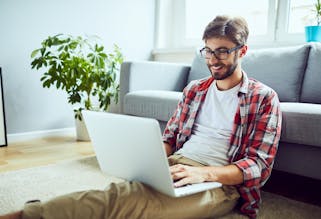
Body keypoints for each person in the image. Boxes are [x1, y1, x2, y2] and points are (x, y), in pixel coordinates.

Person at [0, 15, 281, 219]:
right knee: (120, 194)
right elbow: (170, 138)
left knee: (137, 207)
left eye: (222, 51)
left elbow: (258, 166)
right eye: (208, 50)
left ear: (242, 51)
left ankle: (29, 215)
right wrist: (150, 161)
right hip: (177, 165)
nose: (213, 59)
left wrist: (202, 173)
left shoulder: (263, 98)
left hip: (220, 185)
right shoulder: (195, 90)